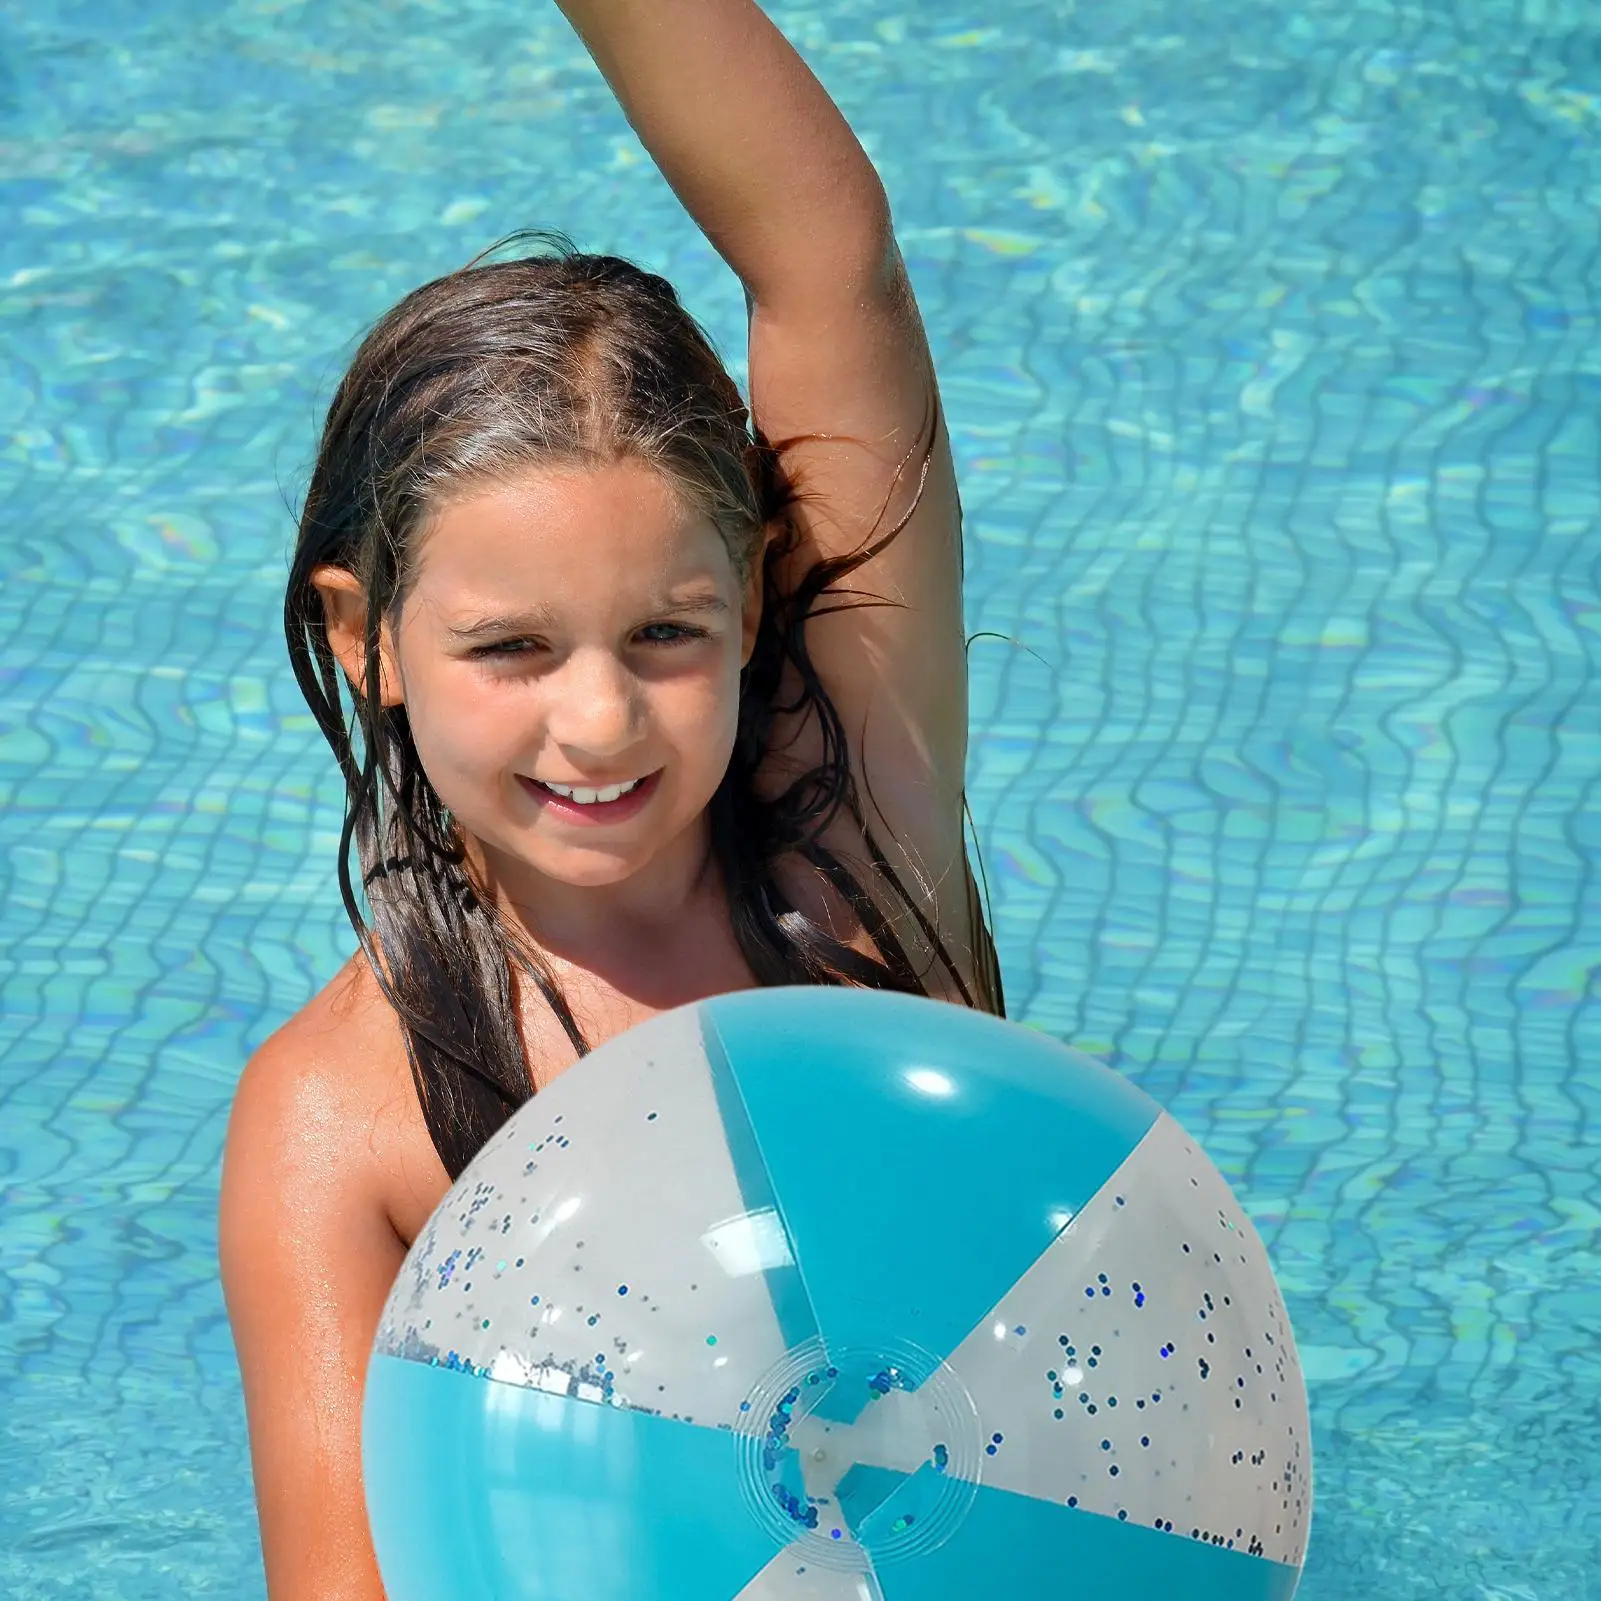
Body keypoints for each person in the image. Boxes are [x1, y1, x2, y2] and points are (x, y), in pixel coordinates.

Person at [219, 0, 1005, 1594]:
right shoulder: (339, 1121)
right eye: (508, 646)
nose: (599, 722)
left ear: (759, 597)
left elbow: (826, 254)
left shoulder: (856, 848)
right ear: (363, 640)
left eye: (666, 634)